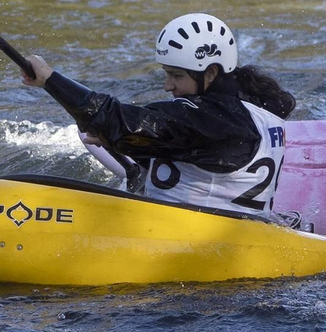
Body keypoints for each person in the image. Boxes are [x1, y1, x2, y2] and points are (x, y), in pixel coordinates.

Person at [19, 13, 295, 217]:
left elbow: (121, 122)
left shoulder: (214, 118)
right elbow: (198, 154)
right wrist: (120, 141)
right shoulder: (253, 114)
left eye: (176, 75)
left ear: (210, 72)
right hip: (239, 229)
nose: (168, 85)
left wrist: (50, 79)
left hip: (201, 242)